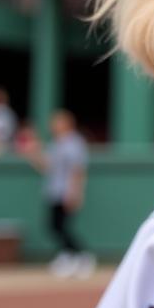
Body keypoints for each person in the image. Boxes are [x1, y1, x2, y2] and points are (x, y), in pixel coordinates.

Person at [26, 110, 95, 279]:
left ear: (67, 123)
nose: (53, 126)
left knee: (62, 226)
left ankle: (82, 256)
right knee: (53, 226)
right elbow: (47, 166)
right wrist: (32, 153)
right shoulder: (56, 143)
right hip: (53, 191)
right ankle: (68, 256)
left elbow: (78, 170)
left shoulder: (74, 142)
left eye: (57, 122)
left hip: (66, 192)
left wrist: (75, 193)